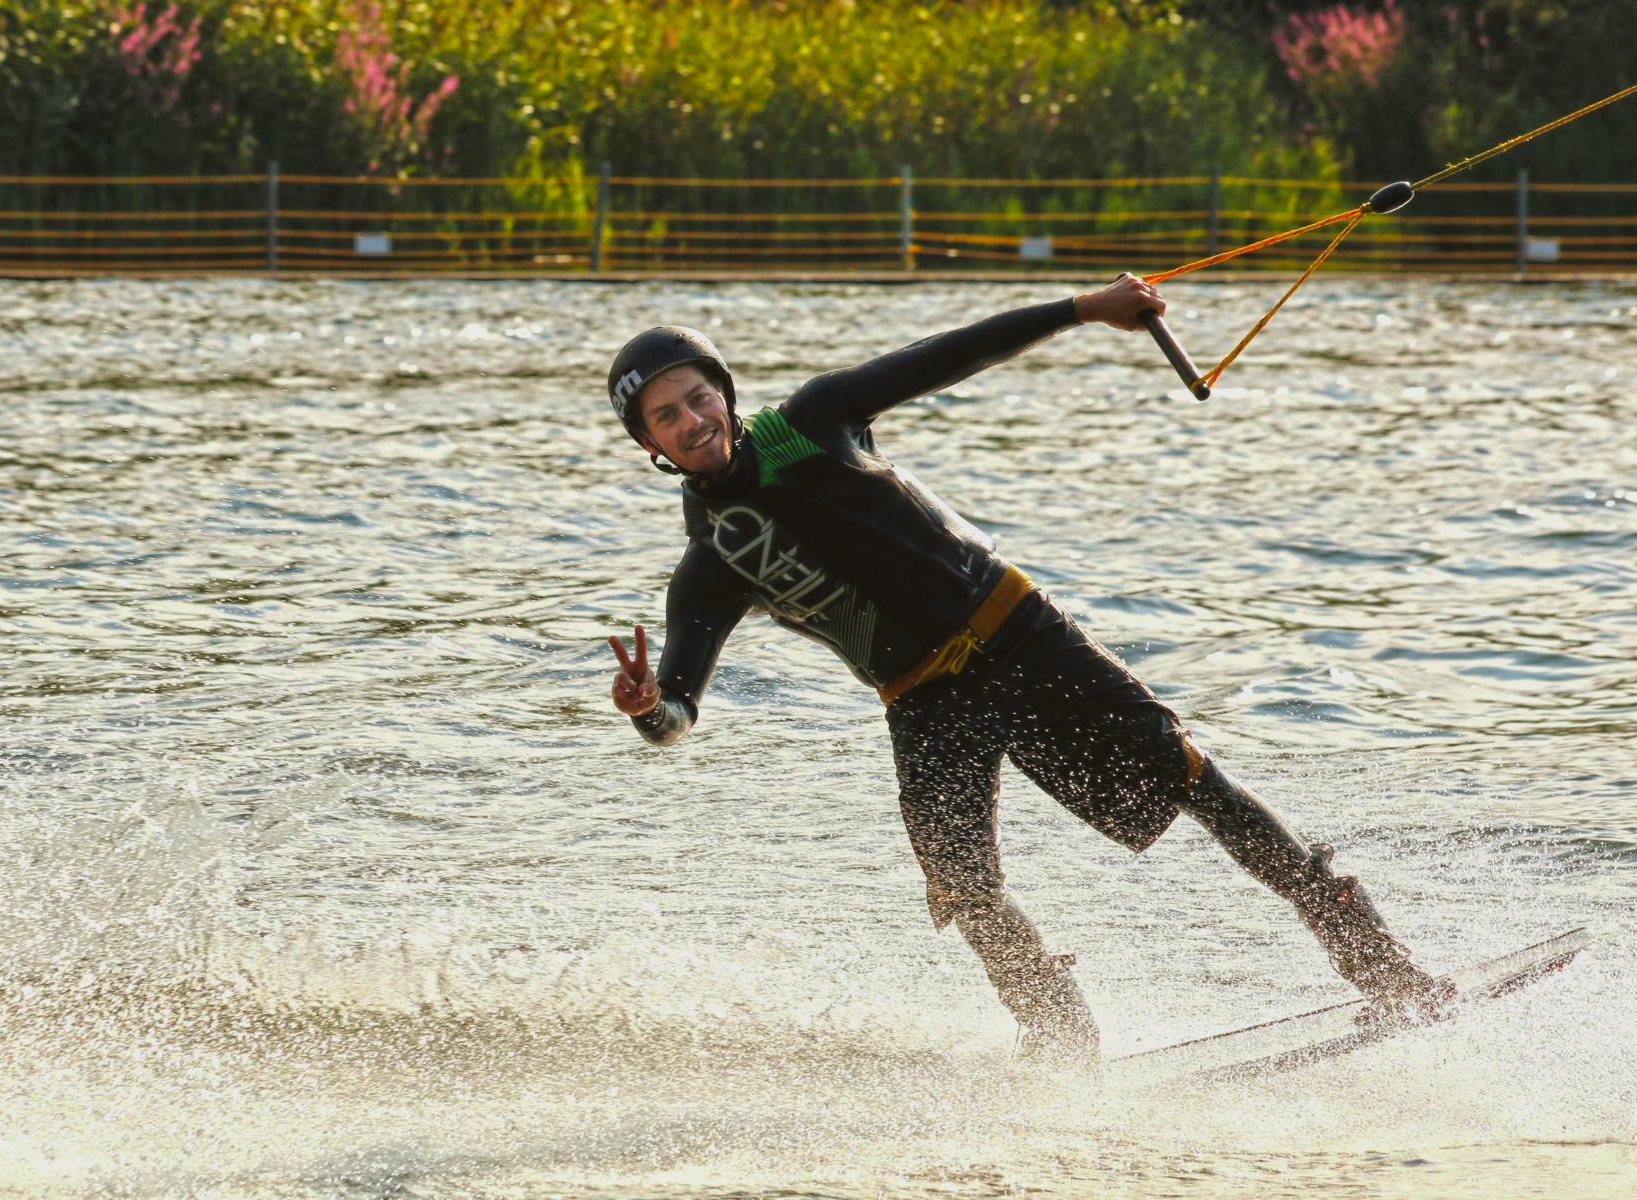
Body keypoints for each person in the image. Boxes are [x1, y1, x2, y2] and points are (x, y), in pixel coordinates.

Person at [603, 275, 1446, 1067]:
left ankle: (1384, 970)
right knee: (959, 884)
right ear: (650, 444)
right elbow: (678, 710)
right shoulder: (710, 565)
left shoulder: (817, 417)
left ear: (725, 392)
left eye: (699, 397)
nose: (692, 421)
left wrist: (1084, 308)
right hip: (925, 701)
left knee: (1196, 783)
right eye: (667, 417)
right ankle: (1060, 1035)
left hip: (1019, 634)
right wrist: (648, 708)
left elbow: (951, 352)